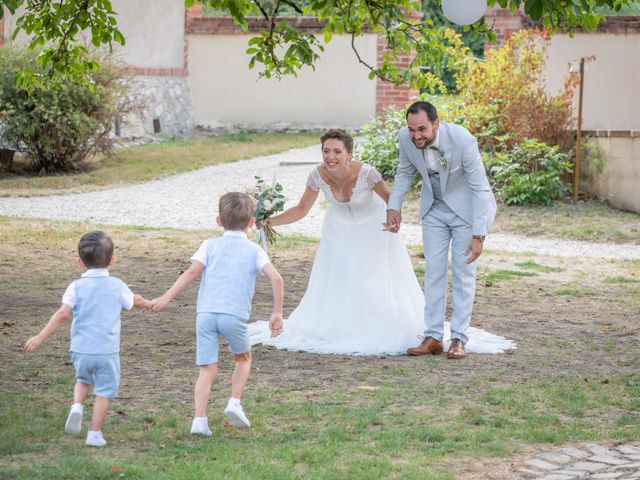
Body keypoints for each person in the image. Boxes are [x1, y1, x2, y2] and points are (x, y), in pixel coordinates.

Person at [248, 129, 429, 355]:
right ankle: (343, 325)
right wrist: (269, 221)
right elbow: (302, 209)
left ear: (349, 154)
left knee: (370, 277)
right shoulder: (317, 175)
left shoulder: (367, 174)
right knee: (341, 276)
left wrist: (395, 218)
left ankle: (375, 323)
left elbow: (391, 199)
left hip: (373, 227)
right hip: (339, 229)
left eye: (337, 151)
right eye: (326, 151)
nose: (330, 157)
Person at [148, 192, 284, 435]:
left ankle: (199, 420)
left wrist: (165, 298)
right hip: (234, 316)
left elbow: (190, 274)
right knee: (243, 358)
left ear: (218, 221)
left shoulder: (209, 245)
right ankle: (234, 402)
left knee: (207, 369)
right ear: (252, 223)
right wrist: (277, 312)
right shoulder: (254, 250)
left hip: (206, 315)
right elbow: (277, 278)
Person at [386, 100, 497, 359]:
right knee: (433, 271)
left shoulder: (461, 139)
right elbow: (404, 172)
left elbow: (480, 187)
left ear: (436, 123)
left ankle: (458, 338)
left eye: (422, 129)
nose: (416, 136)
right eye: (412, 130)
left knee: (463, 273)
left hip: (465, 211)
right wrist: (394, 206)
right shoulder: (406, 139)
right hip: (433, 209)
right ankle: (433, 336)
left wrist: (479, 235)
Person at [24, 231, 150, 447]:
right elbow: (134, 301)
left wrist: (40, 336)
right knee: (103, 391)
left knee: (83, 380)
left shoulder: (75, 287)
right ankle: (94, 434)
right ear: (112, 261)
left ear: (80, 263)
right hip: (106, 351)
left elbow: (62, 314)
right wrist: (149, 303)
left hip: (80, 350)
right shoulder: (117, 285)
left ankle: (77, 406)